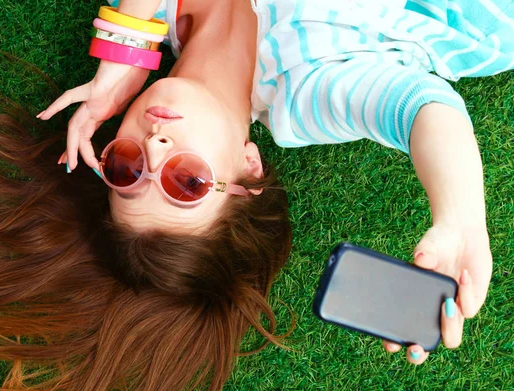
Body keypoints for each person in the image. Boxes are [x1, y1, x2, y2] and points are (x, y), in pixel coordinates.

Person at [38, 0, 514, 368]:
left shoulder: (154, 15)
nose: (155, 146)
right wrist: (461, 219)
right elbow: (423, 110)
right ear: (249, 168)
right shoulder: (304, 93)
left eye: (125, 168)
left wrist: (124, 56)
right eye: (187, 181)